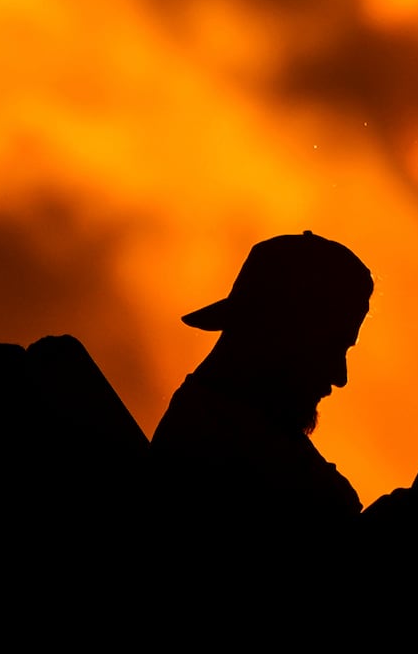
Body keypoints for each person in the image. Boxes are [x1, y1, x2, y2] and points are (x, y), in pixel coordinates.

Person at [149, 231, 371, 559]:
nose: (340, 377)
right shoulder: (221, 454)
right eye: (331, 347)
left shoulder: (218, 427)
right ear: (279, 334)